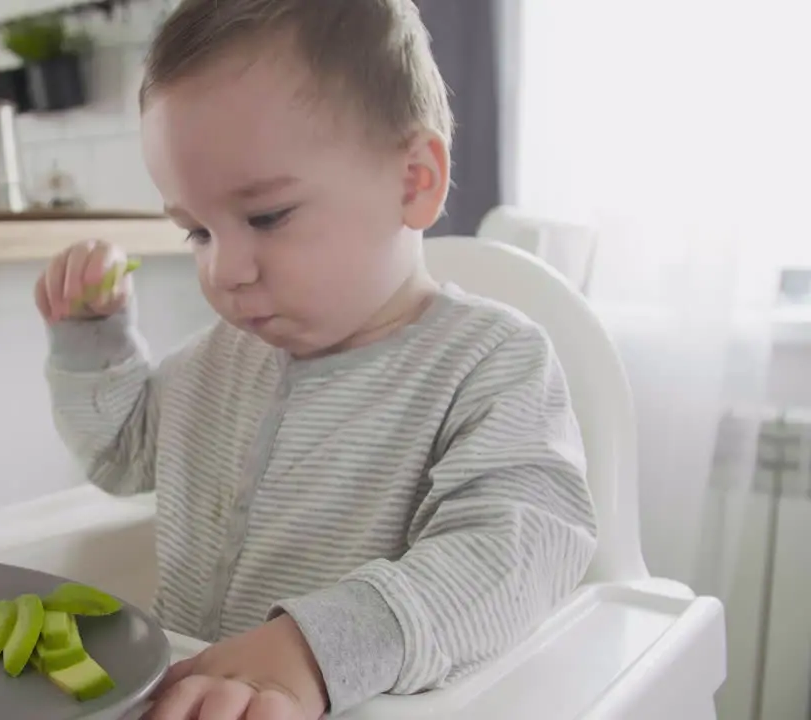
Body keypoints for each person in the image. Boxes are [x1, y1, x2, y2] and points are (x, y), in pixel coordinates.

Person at [34, 1, 598, 717]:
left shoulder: (490, 363)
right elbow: (119, 452)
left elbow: (518, 550)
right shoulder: (219, 361)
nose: (223, 271)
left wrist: (314, 649)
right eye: (197, 232)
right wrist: (93, 338)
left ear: (414, 180)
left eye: (267, 217)